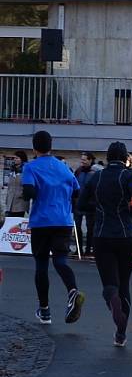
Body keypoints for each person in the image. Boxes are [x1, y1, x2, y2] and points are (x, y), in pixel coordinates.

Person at [77, 141, 132, 347]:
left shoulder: (96, 176)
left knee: (109, 283)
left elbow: (81, 204)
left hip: (102, 234)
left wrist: (98, 207)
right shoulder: (128, 175)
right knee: (124, 283)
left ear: (107, 158)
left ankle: (112, 299)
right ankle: (121, 333)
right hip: (125, 234)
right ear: (126, 158)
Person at [21, 130, 85, 325]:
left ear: (34, 147)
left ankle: (45, 310)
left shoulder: (30, 167)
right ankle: (72, 290)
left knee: (41, 265)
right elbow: (77, 192)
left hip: (42, 221)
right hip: (63, 220)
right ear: (51, 146)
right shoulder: (63, 167)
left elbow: (29, 192)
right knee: (60, 260)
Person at [73, 151, 97, 257]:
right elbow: (74, 186)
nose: (82, 161)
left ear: (90, 160)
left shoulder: (94, 173)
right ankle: (79, 249)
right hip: (78, 204)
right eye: (81, 159)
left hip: (90, 205)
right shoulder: (78, 171)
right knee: (77, 227)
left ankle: (88, 249)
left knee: (90, 228)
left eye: (84, 159)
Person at [5, 150, 29, 218]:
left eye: (17, 158)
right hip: (10, 203)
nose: (15, 159)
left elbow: (27, 186)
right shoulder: (12, 170)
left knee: (16, 224)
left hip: (20, 203)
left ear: (22, 159)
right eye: (14, 158)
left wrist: (21, 194)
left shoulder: (26, 170)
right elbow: (9, 186)